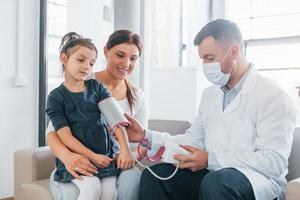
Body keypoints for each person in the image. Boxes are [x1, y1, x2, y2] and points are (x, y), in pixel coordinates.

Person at [125, 19, 297, 200]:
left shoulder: (273, 95)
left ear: (234, 51)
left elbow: (273, 162)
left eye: (210, 58)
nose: (206, 66)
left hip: (258, 181)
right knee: (155, 176)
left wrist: (210, 159)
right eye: (202, 59)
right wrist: (146, 136)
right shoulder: (210, 94)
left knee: (217, 182)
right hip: (214, 175)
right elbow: (192, 141)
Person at [47, 30, 147, 200]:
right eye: (120, 55)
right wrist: (68, 156)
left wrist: (125, 153)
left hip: (110, 161)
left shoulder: (105, 89)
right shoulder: (79, 82)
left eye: (133, 58)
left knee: (110, 193)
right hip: (82, 159)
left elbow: (134, 133)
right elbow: (54, 134)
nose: (126, 63)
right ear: (106, 52)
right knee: (91, 189)